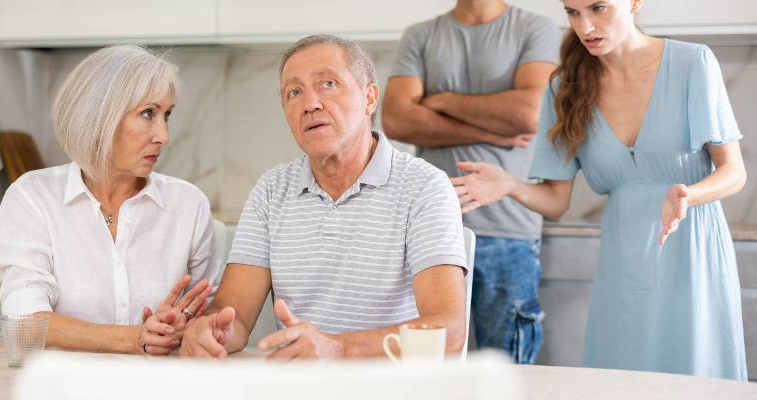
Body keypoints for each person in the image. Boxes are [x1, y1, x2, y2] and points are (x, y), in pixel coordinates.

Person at [451, 0, 748, 379]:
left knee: (696, 370)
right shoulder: (565, 87)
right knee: (623, 378)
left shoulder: (692, 63)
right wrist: (510, 185)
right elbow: (556, 202)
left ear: (636, 3)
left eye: (598, 8)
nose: (585, 25)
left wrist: (690, 195)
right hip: (623, 264)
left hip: (692, 249)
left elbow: (733, 172)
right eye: (572, 12)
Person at [179, 34, 467, 359]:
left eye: (327, 84)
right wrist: (212, 331)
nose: (310, 104)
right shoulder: (271, 190)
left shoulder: (424, 186)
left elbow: (449, 332)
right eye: (294, 92)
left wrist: (339, 348)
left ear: (370, 98)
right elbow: (236, 315)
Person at [0, 45, 221, 355]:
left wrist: (186, 326)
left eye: (167, 115)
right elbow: (24, 322)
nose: (164, 136)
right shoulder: (33, 198)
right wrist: (135, 338)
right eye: (148, 114)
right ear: (99, 118)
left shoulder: (189, 205)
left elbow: (207, 315)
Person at [382, 0, 560, 363]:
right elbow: (397, 119)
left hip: (509, 230)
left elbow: (529, 113)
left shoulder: (535, 28)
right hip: (431, 232)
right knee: (429, 365)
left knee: (508, 370)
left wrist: (442, 100)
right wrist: (495, 134)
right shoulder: (421, 35)